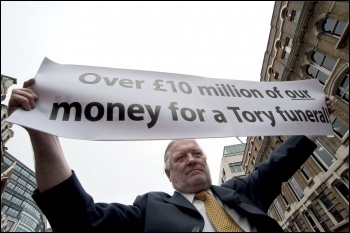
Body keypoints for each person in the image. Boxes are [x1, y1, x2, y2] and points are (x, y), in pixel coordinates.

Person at [8, 78, 335, 232]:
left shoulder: (241, 190)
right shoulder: (149, 208)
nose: (192, 159)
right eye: (181, 157)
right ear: (168, 174)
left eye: (197, 153)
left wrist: (314, 121)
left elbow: (281, 163)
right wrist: (42, 134)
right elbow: (80, 220)